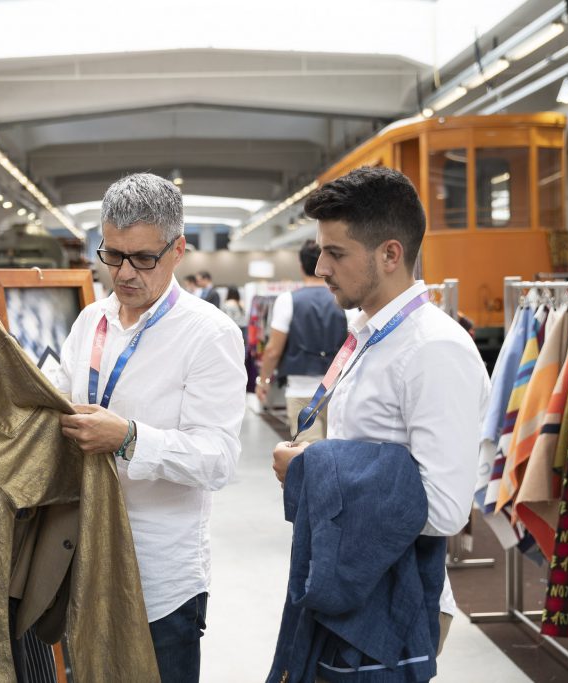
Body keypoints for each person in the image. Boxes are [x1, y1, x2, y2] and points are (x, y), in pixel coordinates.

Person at [271, 166, 490, 656]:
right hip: (356, 581)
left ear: (391, 253)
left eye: (336, 253)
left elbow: (444, 508)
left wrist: (316, 470)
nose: (321, 267)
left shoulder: (434, 350)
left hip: (398, 602)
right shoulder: (371, 334)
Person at [53, 172, 247, 683]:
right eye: (112, 255)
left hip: (158, 580)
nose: (124, 273)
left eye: (143, 258)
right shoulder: (90, 321)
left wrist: (130, 440)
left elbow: (219, 459)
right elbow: (56, 396)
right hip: (83, 559)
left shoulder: (209, 336)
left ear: (178, 249)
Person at [254, 240, 348, 441]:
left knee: (308, 456)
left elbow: (273, 350)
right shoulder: (343, 299)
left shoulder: (287, 300)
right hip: (338, 390)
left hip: (300, 391)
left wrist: (263, 381)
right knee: (338, 456)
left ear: (301, 265)